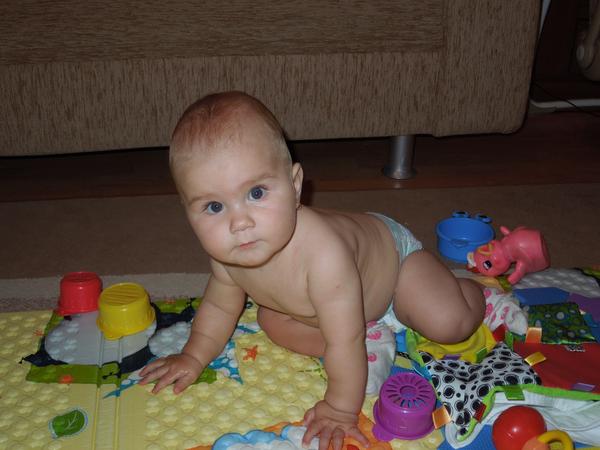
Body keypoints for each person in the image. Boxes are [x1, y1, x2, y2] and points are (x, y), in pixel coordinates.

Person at [139, 91, 485, 450]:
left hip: (395, 267)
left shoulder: (324, 256)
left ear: (295, 185)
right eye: (214, 206)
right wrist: (194, 355)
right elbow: (219, 306)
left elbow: (343, 341)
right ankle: (368, 335)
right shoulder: (229, 257)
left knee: (449, 324)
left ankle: (474, 291)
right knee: (271, 321)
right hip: (334, 308)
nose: (239, 223)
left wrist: (339, 408)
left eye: (256, 193)